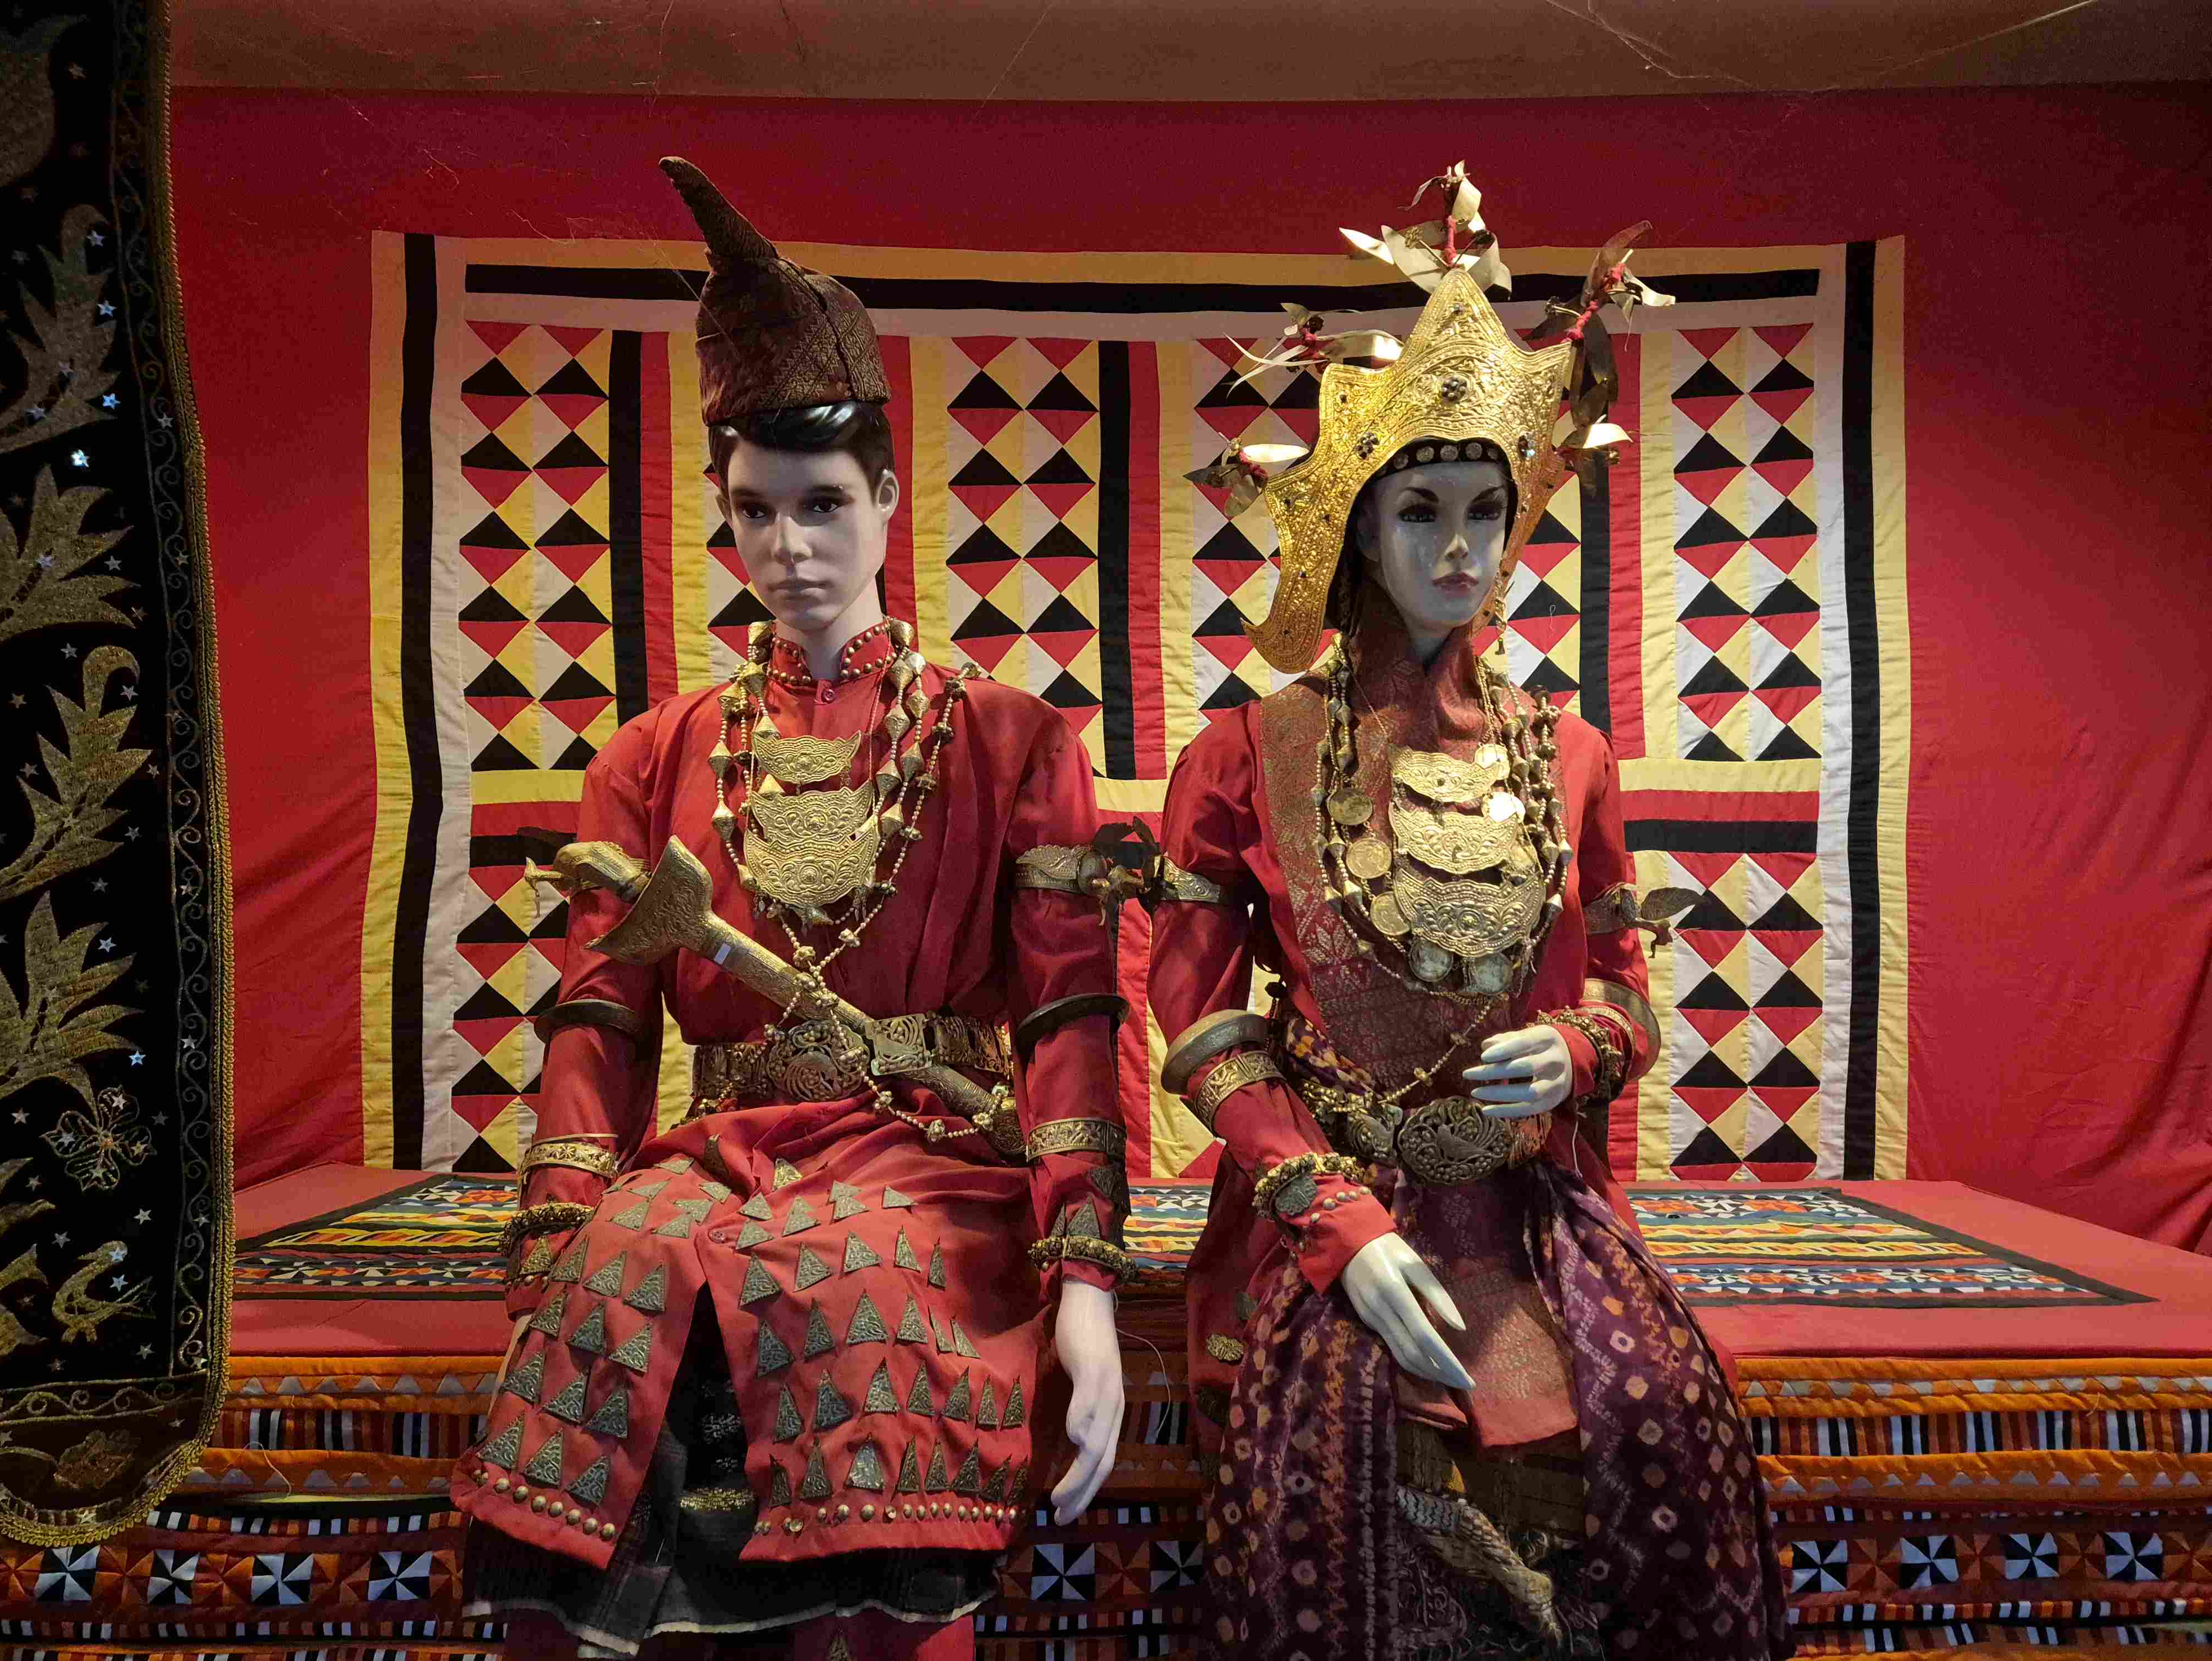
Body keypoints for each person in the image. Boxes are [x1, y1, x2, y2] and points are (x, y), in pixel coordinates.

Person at [452, 158, 1128, 1661]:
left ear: (888, 500)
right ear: (724, 514)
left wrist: (1084, 1277)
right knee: (613, 1288)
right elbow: (599, 1024)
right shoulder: (656, 755)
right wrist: (551, 1241)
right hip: (720, 1149)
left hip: (931, 1152)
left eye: (824, 505)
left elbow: (1072, 1024)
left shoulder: (1010, 739)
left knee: (860, 1286)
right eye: (756, 511)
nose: (791, 549)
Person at [1148, 169, 1791, 1659]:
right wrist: (1332, 1217)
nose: (1460, 548)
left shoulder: (1572, 757)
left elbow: (1625, 991)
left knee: (1658, 1418)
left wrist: (1580, 1050)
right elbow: (1202, 1027)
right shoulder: (1245, 756)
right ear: (1357, 533)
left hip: (1526, 1200)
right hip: (1335, 1197)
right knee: (1342, 1446)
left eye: (1487, 511)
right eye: (1420, 512)